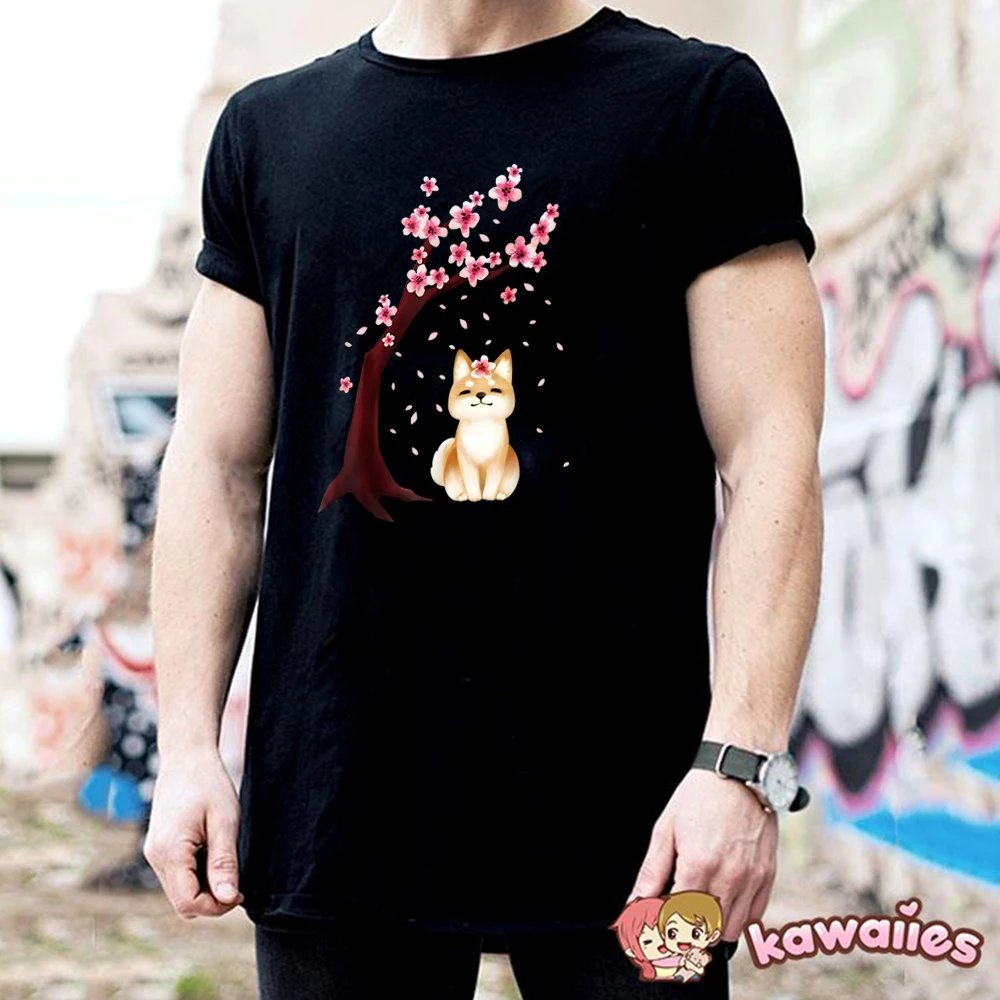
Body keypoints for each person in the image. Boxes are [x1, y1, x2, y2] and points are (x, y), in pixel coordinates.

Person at [143, 2, 825, 997]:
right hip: (338, 808)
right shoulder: (269, 132)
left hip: (639, 826)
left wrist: (740, 763)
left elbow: (770, 449)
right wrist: (186, 747)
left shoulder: (698, 107)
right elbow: (214, 462)